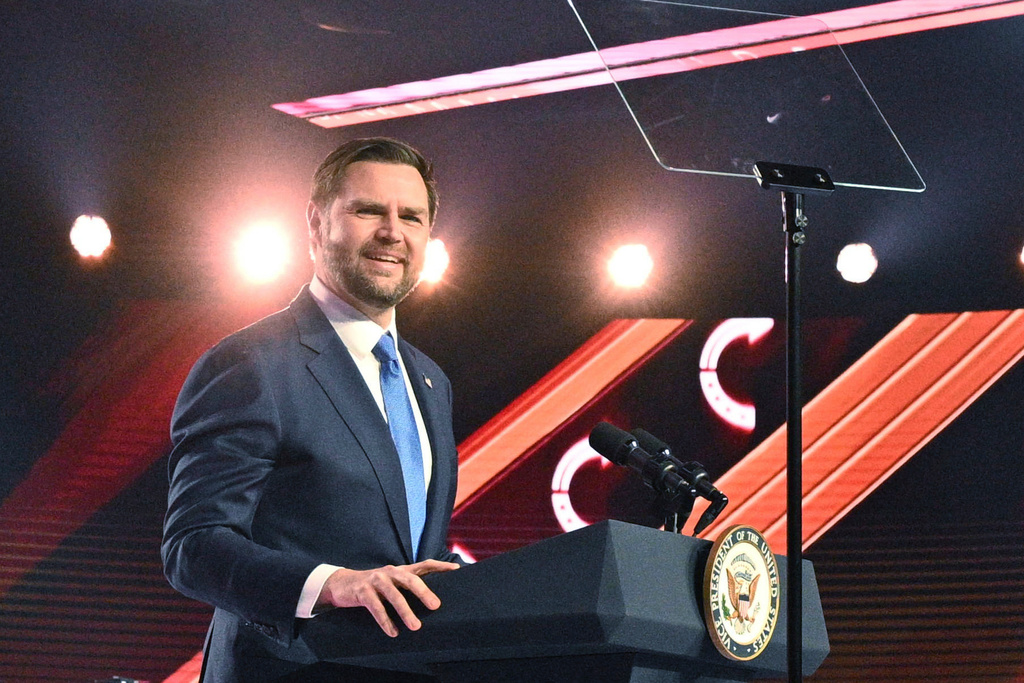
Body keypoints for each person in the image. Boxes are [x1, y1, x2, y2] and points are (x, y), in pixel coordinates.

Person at [162, 137, 463, 682]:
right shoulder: (250, 364)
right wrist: (334, 583)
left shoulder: (430, 382)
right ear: (316, 222)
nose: (392, 231)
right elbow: (194, 546)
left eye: (412, 217)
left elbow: (417, 551)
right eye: (368, 210)